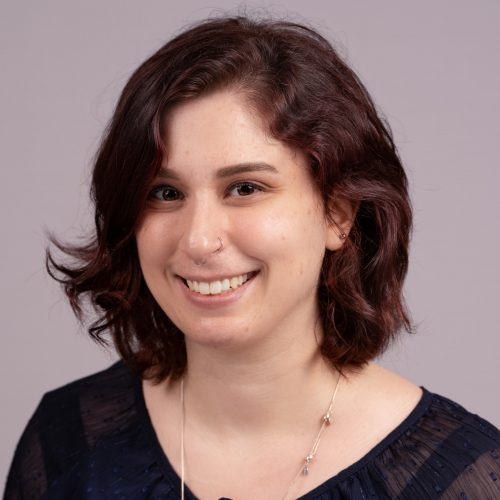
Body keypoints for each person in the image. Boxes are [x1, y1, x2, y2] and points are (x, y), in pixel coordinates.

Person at [4, 15, 500, 500]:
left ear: (337, 215)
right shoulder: (67, 441)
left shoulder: (461, 477)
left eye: (245, 188)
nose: (198, 240)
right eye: (164, 193)